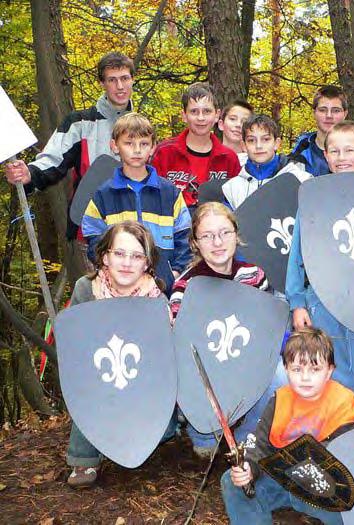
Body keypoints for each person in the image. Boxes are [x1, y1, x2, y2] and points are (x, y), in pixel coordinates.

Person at [65, 221, 176, 488]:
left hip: (141, 380)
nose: (127, 263)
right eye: (119, 253)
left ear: (147, 263)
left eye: (137, 256)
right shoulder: (86, 289)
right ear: (105, 256)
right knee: (90, 387)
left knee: (166, 430)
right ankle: (85, 457)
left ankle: (127, 434)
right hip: (98, 375)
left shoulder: (156, 300)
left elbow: (161, 359)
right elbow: (76, 346)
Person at [220, 327, 354, 525]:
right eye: (297, 369)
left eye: (315, 369)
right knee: (231, 480)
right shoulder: (280, 400)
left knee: (352, 509)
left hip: (321, 488)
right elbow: (259, 445)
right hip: (280, 481)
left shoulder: (345, 404)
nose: (305, 377)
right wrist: (248, 468)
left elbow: (349, 459)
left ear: (329, 370)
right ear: (286, 369)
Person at [286, 121, 354, 405]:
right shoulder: (314, 198)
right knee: (333, 376)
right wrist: (297, 302)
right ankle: (337, 439)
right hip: (323, 298)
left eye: (349, 150)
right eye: (335, 151)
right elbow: (298, 255)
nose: (342, 157)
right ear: (326, 156)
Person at [169, 202, 268, 457]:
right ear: (196, 243)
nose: (217, 242)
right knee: (206, 450)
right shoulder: (186, 285)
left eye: (225, 232)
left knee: (277, 375)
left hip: (246, 364)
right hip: (204, 370)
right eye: (207, 236)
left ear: (236, 235)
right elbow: (180, 342)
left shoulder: (253, 276)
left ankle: (248, 433)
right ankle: (202, 430)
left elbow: (268, 330)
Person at [4, 52, 135, 239]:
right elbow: (53, 159)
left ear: (133, 80)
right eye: (112, 80)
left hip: (134, 230)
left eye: (124, 78)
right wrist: (29, 174)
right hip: (89, 230)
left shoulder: (141, 126)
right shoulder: (80, 123)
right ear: (102, 83)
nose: (120, 86)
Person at [81, 113, 191, 294]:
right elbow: (93, 238)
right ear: (114, 146)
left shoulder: (169, 193)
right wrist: (108, 270)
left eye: (144, 144)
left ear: (153, 147)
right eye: (129, 143)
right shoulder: (104, 194)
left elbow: (184, 236)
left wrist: (174, 272)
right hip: (118, 286)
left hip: (163, 287)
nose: (137, 150)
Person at [150, 82, 241, 210]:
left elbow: (236, 204)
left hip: (214, 226)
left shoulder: (229, 158)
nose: (201, 118)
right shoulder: (164, 152)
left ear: (217, 115)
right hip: (173, 226)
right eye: (194, 111)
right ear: (184, 116)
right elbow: (151, 198)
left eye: (207, 111)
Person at [222, 114, 311, 210]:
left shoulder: (301, 180)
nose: (259, 146)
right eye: (251, 140)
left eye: (266, 139)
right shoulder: (232, 188)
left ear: (276, 143)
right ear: (244, 146)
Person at [289, 85, 348, 176]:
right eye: (322, 110)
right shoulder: (300, 152)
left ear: (345, 114)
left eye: (336, 110)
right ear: (314, 113)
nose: (329, 116)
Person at [218, 99, 254, 165]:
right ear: (221, 124)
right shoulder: (208, 158)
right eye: (232, 119)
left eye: (244, 122)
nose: (238, 124)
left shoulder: (255, 163)